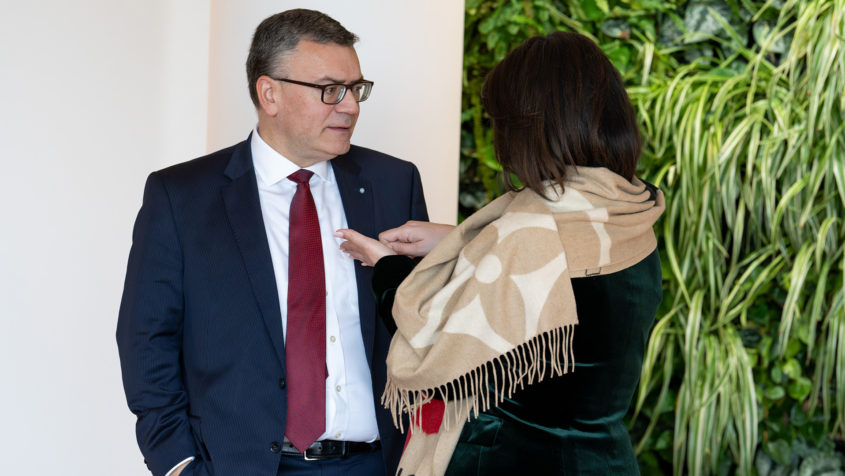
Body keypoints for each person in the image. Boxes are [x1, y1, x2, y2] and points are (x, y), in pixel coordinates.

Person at [337, 31, 665, 475]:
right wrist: (459, 242)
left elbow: (436, 347)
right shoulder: (626, 210)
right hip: (605, 459)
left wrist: (388, 267)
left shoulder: (526, 234)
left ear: (526, 126)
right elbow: (563, 273)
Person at [116, 9, 427, 476]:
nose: (350, 106)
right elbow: (146, 340)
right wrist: (178, 464)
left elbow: (426, 325)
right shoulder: (182, 197)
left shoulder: (393, 183)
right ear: (270, 93)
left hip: (373, 464)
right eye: (330, 90)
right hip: (237, 465)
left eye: (356, 89)